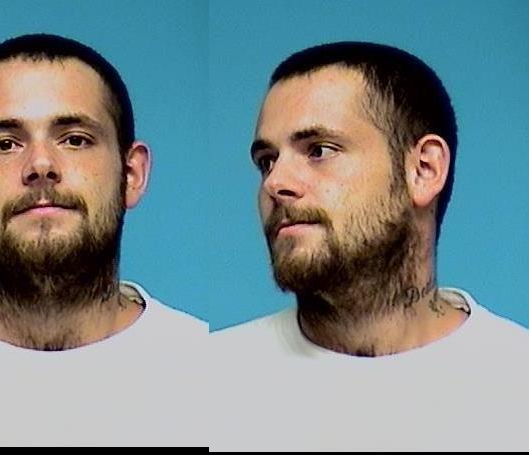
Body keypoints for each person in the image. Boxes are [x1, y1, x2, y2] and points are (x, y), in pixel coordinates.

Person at [0, 34, 205, 446]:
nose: (40, 165)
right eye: (4, 144)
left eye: (75, 139)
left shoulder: (213, 374)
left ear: (131, 175)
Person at [212, 42, 529, 451]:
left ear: (424, 169)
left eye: (319, 150)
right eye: (267, 160)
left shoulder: (516, 385)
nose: (275, 183)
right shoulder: (208, 383)